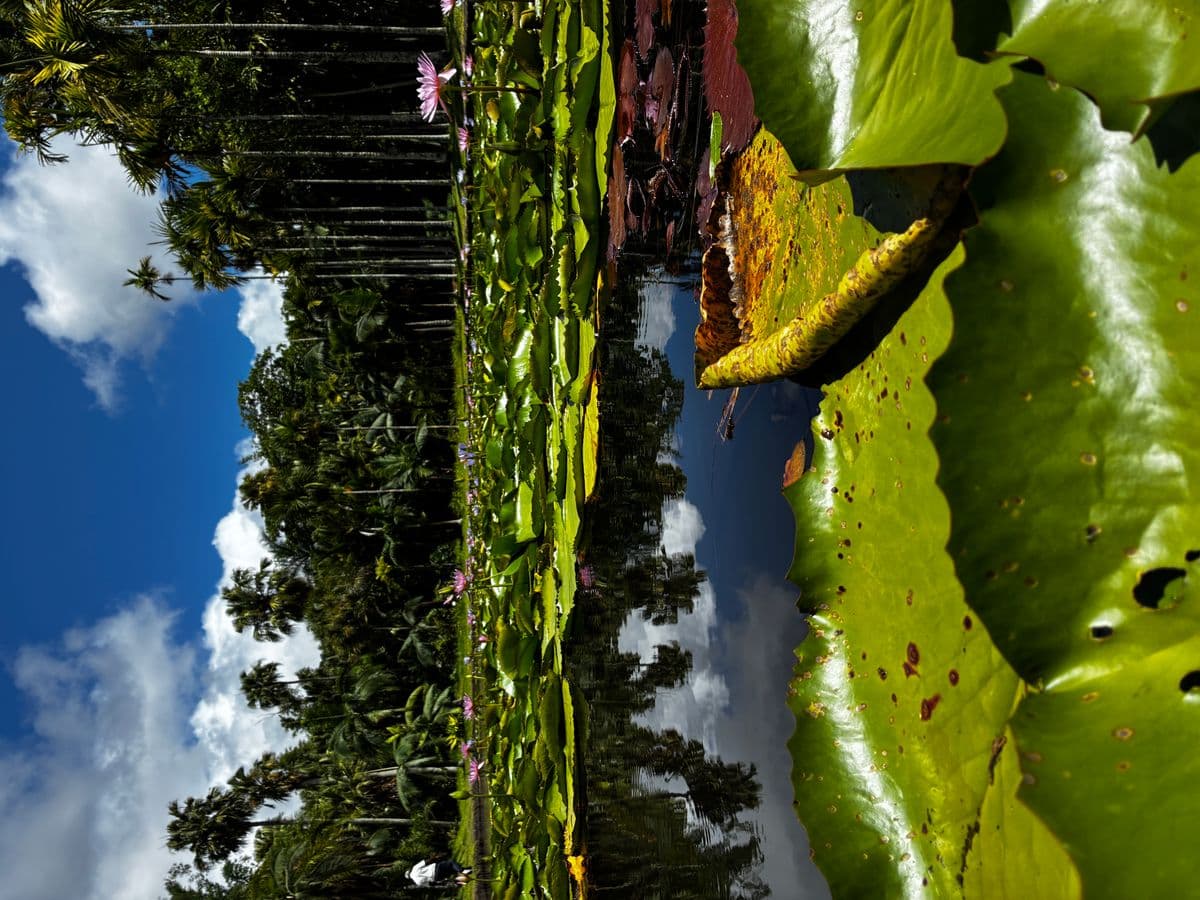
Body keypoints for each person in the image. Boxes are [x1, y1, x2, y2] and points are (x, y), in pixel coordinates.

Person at [407, 857, 472, 887]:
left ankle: (469, 871)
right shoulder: (414, 868)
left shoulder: (417, 882)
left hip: (437, 877)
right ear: (409, 872)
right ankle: (463, 871)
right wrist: (434, 858)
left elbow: (431, 884)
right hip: (436, 869)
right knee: (451, 863)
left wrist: (441, 883)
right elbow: (425, 862)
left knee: (453, 871)